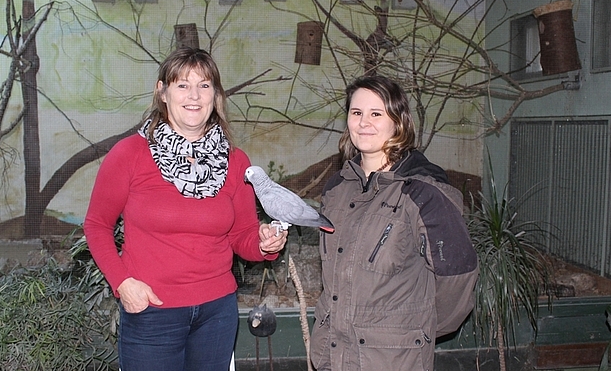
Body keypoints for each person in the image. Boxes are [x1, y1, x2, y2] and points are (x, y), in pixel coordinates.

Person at [84, 47, 287, 371]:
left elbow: (242, 235)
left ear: (216, 96)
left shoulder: (235, 161)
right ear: (162, 92)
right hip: (151, 311)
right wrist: (122, 283)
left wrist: (264, 243)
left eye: (204, 85)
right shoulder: (131, 154)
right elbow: (96, 225)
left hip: (216, 313)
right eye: (182, 85)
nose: (194, 95)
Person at [310, 75, 478, 371]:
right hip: (332, 355)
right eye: (356, 113)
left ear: (398, 122)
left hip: (392, 359)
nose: (364, 123)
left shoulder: (423, 193)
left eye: (376, 113)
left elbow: (458, 276)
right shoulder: (337, 189)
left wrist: (416, 328)